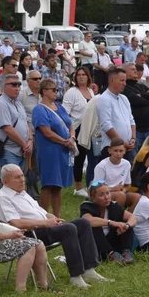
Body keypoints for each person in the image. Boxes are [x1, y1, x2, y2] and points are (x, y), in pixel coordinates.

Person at [0, 164, 109, 289]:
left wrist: (52, 218)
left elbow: (42, 212)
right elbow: (15, 223)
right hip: (29, 233)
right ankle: (76, 276)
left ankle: (89, 270)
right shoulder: (2, 198)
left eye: (22, 176)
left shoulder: (22, 193)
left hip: (43, 227)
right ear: (5, 182)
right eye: (17, 177)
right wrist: (46, 223)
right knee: (69, 229)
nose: (22, 179)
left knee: (83, 223)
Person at [32, 77, 74, 216]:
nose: (57, 92)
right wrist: (64, 141)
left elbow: (70, 123)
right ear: (44, 91)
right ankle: (44, 216)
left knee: (58, 186)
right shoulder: (39, 109)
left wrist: (72, 138)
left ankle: (57, 216)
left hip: (63, 150)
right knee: (48, 184)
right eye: (54, 90)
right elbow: (47, 132)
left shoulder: (59, 106)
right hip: (49, 151)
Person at [79, 181, 137, 265]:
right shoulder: (86, 206)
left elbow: (133, 217)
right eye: (101, 195)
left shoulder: (113, 206)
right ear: (93, 198)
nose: (106, 197)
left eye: (107, 193)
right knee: (94, 226)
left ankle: (126, 252)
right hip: (93, 246)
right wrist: (111, 222)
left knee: (125, 223)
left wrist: (127, 226)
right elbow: (88, 220)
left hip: (111, 242)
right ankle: (110, 255)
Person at [63, 67, 93, 198]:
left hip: (90, 127)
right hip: (77, 127)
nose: (81, 77)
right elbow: (65, 112)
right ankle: (78, 186)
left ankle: (91, 183)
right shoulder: (72, 92)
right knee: (79, 158)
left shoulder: (91, 91)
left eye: (83, 75)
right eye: (78, 75)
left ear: (88, 77)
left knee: (92, 157)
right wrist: (70, 131)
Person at [0, 73, 32, 169]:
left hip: (21, 150)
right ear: (4, 87)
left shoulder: (18, 103)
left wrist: (30, 140)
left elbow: (26, 124)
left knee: (18, 181)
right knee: (11, 181)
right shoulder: (1, 104)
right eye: (13, 85)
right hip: (8, 150)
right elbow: (8, 129)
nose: (17, 88)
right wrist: (25, 145)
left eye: (19, 85)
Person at [94, 138, 137, 209]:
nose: (118, 154)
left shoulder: (126, 164)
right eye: (115, 151)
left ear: (125, 151)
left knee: (137, 197)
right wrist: (113, 188)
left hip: (120, 192)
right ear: (109, 151)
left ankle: (126, 216)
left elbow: (127, 185)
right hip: (105, 193)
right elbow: (96, 187)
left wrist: (124, 189)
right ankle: (116, 217)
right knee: (120, 195)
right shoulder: (102, 166)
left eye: (121, 151)